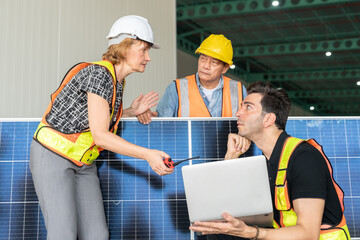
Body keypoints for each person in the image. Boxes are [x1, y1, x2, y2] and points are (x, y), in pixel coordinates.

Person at [30, 15, 173, 240]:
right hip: (53, 155)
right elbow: (100, 136)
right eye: (143, 49)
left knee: (97, 234)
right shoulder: (100, 74)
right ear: (124, 47)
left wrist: (128, 112)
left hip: (83, 162)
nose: (148, 57)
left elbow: (93, 117)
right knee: (63, 233)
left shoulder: (117, 80)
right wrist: (148, 155)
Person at [190, 82, 351, 240]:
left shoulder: (304, 158)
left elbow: (308, 234)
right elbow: (228, 208)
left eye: (248, 107)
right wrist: (231, 157)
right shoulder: (265, 163)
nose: (238, 113)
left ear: (268, 120)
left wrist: (251, 233)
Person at [136, 34, 247, 124]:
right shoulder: (177, 88)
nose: (206, 66)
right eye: (203, 59)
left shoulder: (238, 90)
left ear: (225, 68)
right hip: (185, 151)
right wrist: (147, 116)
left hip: (229, 152)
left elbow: (250, 125)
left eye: (214, 62)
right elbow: (162, 126)